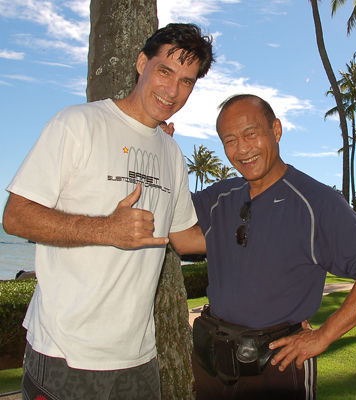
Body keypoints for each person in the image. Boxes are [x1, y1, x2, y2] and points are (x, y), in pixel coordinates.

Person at [2, 23, 212, 400]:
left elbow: (184, 237)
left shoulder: (172, 155)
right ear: (141, 62)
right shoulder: (79, 123)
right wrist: (105, 230)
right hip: (66, 354)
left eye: (187, 81)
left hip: (140, 358)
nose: (172, 91)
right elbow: (16, 216)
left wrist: (256, 233)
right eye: (165, 71)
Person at [190, 94, 356, 400]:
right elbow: (176, 230)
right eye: (229, 140)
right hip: (211, 363)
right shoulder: (221, 196)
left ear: (276, 130)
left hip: (274, 367)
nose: (241, 149)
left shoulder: (317, 202)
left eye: (251, 134)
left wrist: (323, 335)